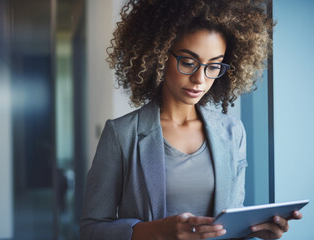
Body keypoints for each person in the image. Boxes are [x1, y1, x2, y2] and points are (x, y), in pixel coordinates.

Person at [80, 0, 302, 239]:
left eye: (214, 66)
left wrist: (256, 229)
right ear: (159, 55)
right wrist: (157, 231)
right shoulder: (121, 134)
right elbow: (92, 229)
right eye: (188, 62)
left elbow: (226, 223)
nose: (200, 79)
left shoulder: (232, 132)